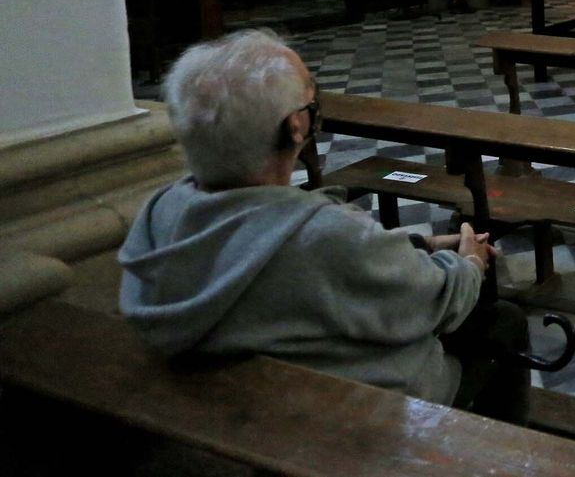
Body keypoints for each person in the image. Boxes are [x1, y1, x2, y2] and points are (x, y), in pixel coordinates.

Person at [117, 29, 531, 423]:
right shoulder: (325, 234)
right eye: (310, 101)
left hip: (239, 400)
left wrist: (420, 243)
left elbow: (267, 247)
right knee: (503, 322)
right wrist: (469, 263)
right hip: (347, 414)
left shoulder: (161, 211)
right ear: (295, 127)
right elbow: (433, 303)